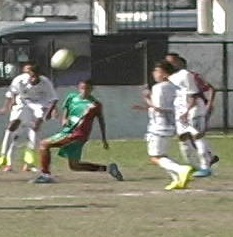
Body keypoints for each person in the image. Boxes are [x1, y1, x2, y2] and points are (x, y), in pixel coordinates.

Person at [33, 79, 123, 184]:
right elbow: (66, 109)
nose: (84, 91)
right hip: (67, 131)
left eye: (87, 89)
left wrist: (104, 139)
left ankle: (45, 175)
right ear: (78, 88)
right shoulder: (71, 97)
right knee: (75, 166)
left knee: (44, 144)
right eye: (82, 88)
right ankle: (108, 168)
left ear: (92, 89)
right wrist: (64, 119)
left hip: (77, 134)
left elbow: (101, 121)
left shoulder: (94, 104)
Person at [132, 61, 194, 190]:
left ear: (164, 74)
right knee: (162, 154)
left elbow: (159, 107)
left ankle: (181, 169)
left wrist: (147, 98)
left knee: (155, 157)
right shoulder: (175, 87)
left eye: (157, 71)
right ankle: (177, 179)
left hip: (159, 126)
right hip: (171, 124)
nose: (154, 74)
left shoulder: (159, 87)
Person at [0, 61, 58, 172]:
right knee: (12, 126)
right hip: (23, 103)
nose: (32, 79)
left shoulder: (45, 82)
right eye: (31, 76)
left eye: (35, 77)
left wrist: (51, 111)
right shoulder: (19, 80)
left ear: (39, 76)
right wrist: (7, 106)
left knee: (35, 126)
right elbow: (11, 92)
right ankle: (3, 156)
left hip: (39, 104)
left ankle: (29, 156)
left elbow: (54, 98)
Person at [164, 52, 218, 176]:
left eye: (173, 61)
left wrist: (208, 104)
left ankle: (206, 164)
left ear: (179, 62)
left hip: (195, 110)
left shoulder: (190, 75)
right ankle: (196, 163)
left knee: (196, 136)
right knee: (184, 138)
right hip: (181, 112)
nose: (171, 64)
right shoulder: (170, 79)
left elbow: (206, 89)